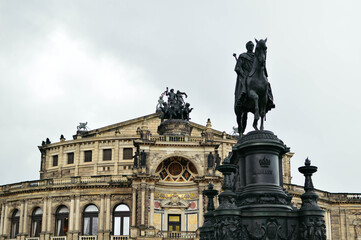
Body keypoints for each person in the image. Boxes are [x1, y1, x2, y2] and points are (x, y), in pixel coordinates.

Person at [234, 41, 255, 107]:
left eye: (252, 46)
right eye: (250, 46)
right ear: (247, 47)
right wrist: (241, 72)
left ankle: (269, 98)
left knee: (265, 83)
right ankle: (243, 94)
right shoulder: (243, 56)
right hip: (246, 74)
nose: (251, 47)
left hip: (254, 74)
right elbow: (237, 67)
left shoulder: (256, 56)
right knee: (246, 80)